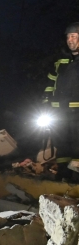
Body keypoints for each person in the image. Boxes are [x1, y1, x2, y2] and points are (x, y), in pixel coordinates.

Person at [45, 23, 79, 175]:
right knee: (62, 146)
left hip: (77, 111)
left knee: (77, 145)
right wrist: (46, 101)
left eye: (73, 36)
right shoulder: (60, 60)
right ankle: (63, 176)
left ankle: (76, 178)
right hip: (59, 111)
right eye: (68, 37)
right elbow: (51, 82)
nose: (70, 40)